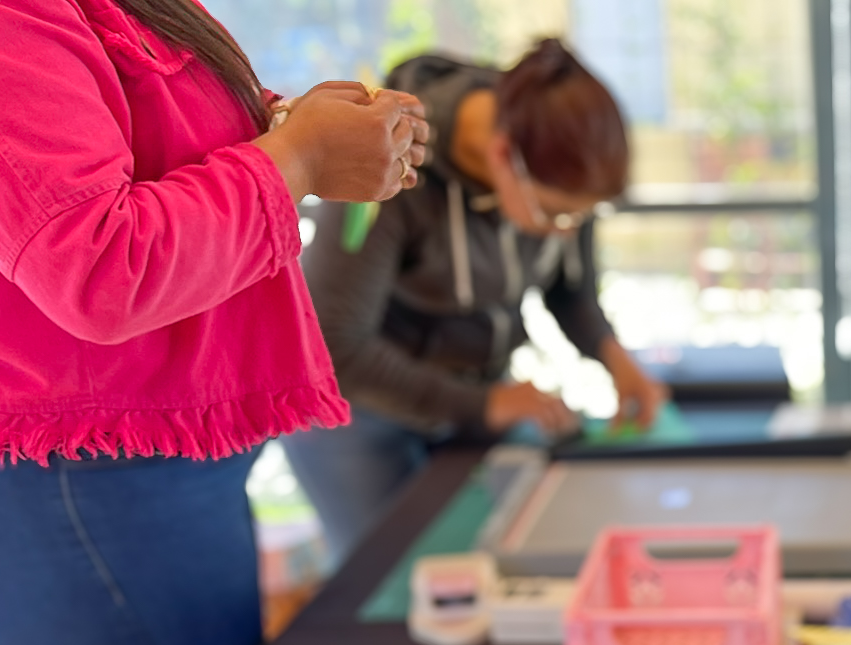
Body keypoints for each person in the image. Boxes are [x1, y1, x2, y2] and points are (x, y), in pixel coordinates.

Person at [0, 0, 427, 645]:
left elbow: (143, 155)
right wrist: (297, 157)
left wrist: (297, 132)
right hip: (60, 475)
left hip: (135, 458)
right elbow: (101, 264)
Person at [285, 38, 667, 568]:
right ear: (504, 156)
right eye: (557, 216)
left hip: (468, 391)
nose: (564, 232)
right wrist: (486, 405)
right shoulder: (386, 158)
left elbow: (567, 287)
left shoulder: (553, 151)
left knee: (490, 557)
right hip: (359, 408)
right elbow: (335, 347)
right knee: (383, 580)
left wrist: (615, 360)